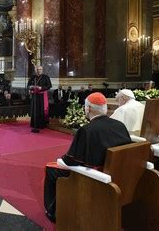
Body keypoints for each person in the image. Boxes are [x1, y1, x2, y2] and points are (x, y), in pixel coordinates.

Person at [43, 92, 131, 222]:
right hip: (118, 174)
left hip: (94, 178)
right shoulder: (119, 125)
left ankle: (53, 212)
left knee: (51, 170)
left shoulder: (87, 130)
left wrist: (60, 161)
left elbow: (70, 161)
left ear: (88, 109)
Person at [28, 66, 52, 132]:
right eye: (38, 69)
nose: (39, 71)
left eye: (40, 69)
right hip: (34, 95)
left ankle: (41, 124)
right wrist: (31, 87)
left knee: (41, 109)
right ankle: (34, 124)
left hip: (42, 96)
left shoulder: (46, 77)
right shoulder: (33, 77)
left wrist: (41, 88)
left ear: (42, 70)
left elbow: (49, 86)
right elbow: (28, 85)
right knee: (34, 109)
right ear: (36, 70)